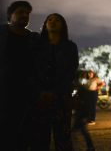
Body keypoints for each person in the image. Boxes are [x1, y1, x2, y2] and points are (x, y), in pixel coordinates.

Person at [32, 13, 79, 150]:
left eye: (57, 20)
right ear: (45, 25)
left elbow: (70, 72)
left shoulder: (70, 47)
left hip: (62, 98)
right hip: (40, 98)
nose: (53, 22)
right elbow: (33, 70)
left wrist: (56, 92)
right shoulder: (37, 46)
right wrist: (40, 91)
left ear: (63, 25)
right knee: (40, 138)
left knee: (63, 138)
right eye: (50, 20)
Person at [0, 1, 40, 149]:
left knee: (23, 138)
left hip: (27, 96)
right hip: (4, 94)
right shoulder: (2, 34)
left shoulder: (34, 39)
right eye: (20, 12)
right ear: (10, 15)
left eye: (27, 13)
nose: (25, 15)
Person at [73, 71, 96, 151]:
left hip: (81, 112)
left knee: (80, 130)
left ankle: (89, 147)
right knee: (81, 130)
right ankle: (90, 146)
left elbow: (83, 102)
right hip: (82, 112)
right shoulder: (82, 87)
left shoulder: (82, 88)